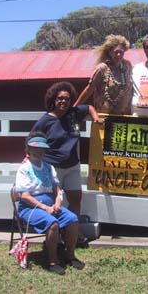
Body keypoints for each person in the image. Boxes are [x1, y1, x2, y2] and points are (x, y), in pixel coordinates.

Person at [30, 81, 103, 245]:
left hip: (72, 166)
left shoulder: (74, 114)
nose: (63, 102)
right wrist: (29, 157)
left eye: (67, 99)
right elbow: (32, 138)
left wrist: (95, 117)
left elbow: (89, 107)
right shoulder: (46, 120)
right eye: (60, 98)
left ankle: (73, 234)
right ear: (54, 100)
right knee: (53, 202)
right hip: (52, 168)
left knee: (76, 199)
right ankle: (55, 234)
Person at [15, 132, 84, 275]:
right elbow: (24, 196)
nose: (38, 152)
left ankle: (70, 255)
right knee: (53, 223)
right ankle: (53, 261)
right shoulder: (24, 169)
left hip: (51, 205)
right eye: (35, 150)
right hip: (30, 207)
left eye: (41, 150)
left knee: (73, 219)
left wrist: (58, 201)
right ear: (28, 151)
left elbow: (57, 188)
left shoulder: (48, 167)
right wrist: (45, 207)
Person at [73, 34, 133, 115]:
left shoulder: (128, 66)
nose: (119, 55)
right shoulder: (102, 69)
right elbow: (89, 89)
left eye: (121, 52)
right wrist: (74, 108)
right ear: (110, 52)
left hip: (124, 116)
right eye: (116, 52)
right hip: (104, 116)